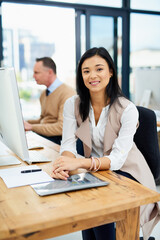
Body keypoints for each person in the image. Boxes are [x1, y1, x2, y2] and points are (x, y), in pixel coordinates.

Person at [51, 47, 160, 240]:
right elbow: (67, 145)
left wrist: (79, 163)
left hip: (128, 172)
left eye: (99, 69)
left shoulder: (127, 109)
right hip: (97, 173)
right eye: (86, 71)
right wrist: (64, 165)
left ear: (110, 72)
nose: (92, 75)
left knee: (97, 205)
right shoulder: (72, 104)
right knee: (89, 206)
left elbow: (117, 160)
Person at [24, 57, 76, 145]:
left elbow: (62, 127)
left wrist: (31, 127)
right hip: (46, 138)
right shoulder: (43, 94)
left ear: (50, 72)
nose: (33, 76)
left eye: (36, 72)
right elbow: (43, 119)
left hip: (58, 141)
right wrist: (25, 123)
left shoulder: (68, 93)